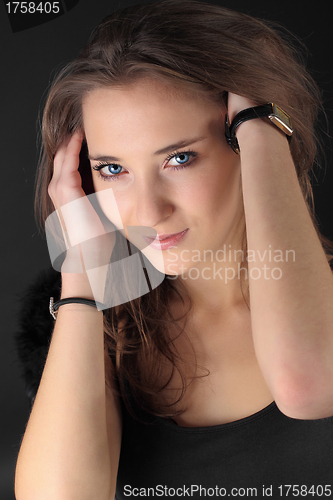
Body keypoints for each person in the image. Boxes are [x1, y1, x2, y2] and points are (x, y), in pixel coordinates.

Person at [14, 1, 333, 499]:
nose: (147, 210)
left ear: (249, 139)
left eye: (179, 158)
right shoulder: (97, 328)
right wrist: (81, 275)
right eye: (112, 169)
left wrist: (264, 128)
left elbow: (309, 384)